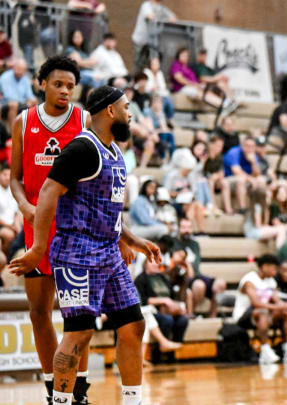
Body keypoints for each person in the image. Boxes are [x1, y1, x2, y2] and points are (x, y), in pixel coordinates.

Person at [9, 85, 162, 405]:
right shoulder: (82, 148)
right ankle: (61, 401)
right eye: (126, 107)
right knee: (79, 331)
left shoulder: (115, 151)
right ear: (110, 111)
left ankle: (132, 400)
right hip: (78, 252)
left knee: (133, 324)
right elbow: (49, 193)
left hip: (108, 251)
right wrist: (38, 248)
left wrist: (134, 241)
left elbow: (109, 211)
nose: (130, 113)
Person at [8, 56, 93, 405]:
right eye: (58, 84)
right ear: (42, 83)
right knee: (39, 311)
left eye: (71, 86)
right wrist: (25, 206)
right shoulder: (23, 121)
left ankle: (79, 390)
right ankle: (51, 388)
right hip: (35, 228)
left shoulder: (85, 120)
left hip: (74, 229)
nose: (64, 91)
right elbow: (14, 178)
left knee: (78, 314)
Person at [233, 254, 287, 364]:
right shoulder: (249, 280)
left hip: (264, 314)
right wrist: (277, 306)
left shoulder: (271, 281)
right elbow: (256, 303)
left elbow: (277, 300)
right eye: (274, 268)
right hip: (244, 315)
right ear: (264, 267)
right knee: (263, 312)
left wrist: (285, 305)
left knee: (285, 312)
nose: (276, 271)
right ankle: (265, 350)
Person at [176, 218, 227, 317]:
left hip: (197, 275)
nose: (187, 230)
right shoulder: (174, 243)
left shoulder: (195, 244)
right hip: (182, 277)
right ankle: (188, 312)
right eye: (183, 227)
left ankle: (212, 317)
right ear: (178, 229)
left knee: (220, 283)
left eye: (189, 227)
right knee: (199, 285)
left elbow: (196, 265)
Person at [134, 259, 189, 344]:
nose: (155, 264)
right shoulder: (141, 279)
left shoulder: (162, 277)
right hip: (153, 311)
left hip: (169, 309)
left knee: (183, 320)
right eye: (152, 262)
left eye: (156, 262)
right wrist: (163, 300)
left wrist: (178, 306)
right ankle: (160, 351)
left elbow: (173, 295)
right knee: (167, 320)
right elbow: (143, 300)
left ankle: (176, 348)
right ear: (145, 264)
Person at [132, 0, 177, 72]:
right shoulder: (146, 5)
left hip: (152, 43)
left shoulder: (161, 8)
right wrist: (165, 19)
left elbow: (174, 18)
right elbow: (150, 16)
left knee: (150, 65)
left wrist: (167, 19)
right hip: (140, 41)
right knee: (139, 65)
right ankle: (137, 81)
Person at [0, 58, 37, 126]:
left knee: (34, 102)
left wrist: (31, 100)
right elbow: (8, 97)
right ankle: (13, 133)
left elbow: (30, 95)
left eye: (22, 70)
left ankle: (32, 130)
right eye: (18, 69)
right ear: (14, 67)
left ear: (25, 70)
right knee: (14, 104)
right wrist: (25, 102)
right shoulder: (5, 77)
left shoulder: (25, 79)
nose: (20, 71)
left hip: (21, 104)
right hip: (5, 104)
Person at [0, 163, 20, 257]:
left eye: (9, 175)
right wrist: (10, 226)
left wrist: (17, 225)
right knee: (9, 235)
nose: (7, 178)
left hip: (12, 224)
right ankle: (5, 257)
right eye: (5, 175)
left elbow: (15, 212)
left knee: (22, 232)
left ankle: (10, 257)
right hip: (2, 225)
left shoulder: (12, 190)